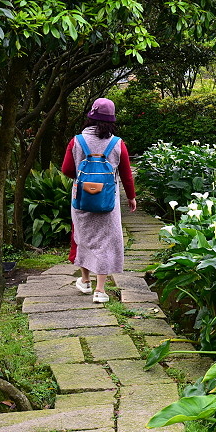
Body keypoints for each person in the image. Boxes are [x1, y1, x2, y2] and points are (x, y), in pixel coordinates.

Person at [61, 97, 137, 303]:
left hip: (81, 199)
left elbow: (67, 170)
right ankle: (100, 291)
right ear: (111, 120)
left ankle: (84, 281)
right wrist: (131, 197)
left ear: (90, 117)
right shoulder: (117, 143)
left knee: (84, 238)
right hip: (107, 202)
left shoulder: (76, 141)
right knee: (106, 242)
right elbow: (127, 174)